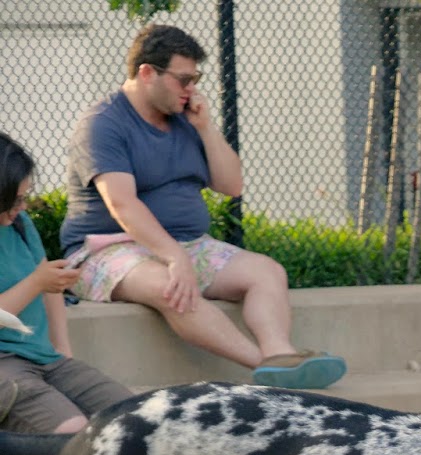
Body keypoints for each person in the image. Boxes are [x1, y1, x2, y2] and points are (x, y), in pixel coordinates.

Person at [60, 23, 345, 390]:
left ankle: (280, 354)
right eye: (184, 79)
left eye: (196, 78)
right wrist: (174, 258)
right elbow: (122, 205)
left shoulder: (185, 119)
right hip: (108, 249)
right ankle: (264, 365)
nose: (192, 89)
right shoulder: (103, 124)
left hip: (188, 244)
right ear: (147, 73)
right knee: (171, 286)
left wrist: (206, 127)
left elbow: (231, 185)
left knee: (266, 272)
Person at [0, 133, 136, 455]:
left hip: (41, 356)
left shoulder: (20, 226)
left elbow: (51, 286)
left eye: (24, 196)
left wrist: (63, 349)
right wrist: (37, 280)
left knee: (137, 417)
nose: (22, 205)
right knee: (68, 433)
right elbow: (38, 283)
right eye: (14, 198)